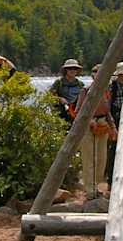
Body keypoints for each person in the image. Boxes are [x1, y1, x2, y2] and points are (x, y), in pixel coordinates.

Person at [78, 65, 115, 193]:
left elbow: (107, 112)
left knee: (101, 159)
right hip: (87, 126)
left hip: (102, 124)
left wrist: (112, 127)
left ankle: (96, 185)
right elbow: (79, 111)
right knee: (89, 158)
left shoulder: (107, 91)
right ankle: (89, 189)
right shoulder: (86, 91)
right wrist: (90, 121)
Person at [47, 58, 84, 124]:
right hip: (61, 114)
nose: (72, 70)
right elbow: (49, 96)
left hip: (75, 114)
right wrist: (60, 99)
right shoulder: (59, 82)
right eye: (70, 68)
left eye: (75, 68)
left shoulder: (80, 84)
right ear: (66, 70)